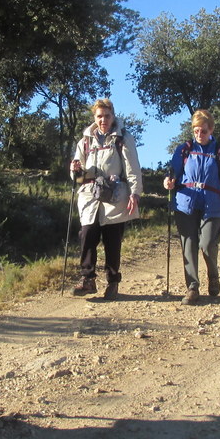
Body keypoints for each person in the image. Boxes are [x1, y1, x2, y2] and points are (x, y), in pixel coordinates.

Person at [70, 98, 143, 300]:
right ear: (94, 117)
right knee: (87, 235)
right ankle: (88, 280)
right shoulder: (85, 141)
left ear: (113, 116)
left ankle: (113, 282)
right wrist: (75, 170)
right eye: (99, 116)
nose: (103, 120)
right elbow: (77, 175)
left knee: (113, 240)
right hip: (90, 196)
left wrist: (135, 193)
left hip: (115, 196)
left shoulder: (123, 138)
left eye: (107, 116)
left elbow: (133, 169)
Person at [163, 110, 220, 304]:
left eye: (203, 130)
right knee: (189, 245)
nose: (199, 134)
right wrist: (168, 181)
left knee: (207, 245)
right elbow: (173, 171)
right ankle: (192, 287)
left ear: (211, 129)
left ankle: (213, 275)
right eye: (196, 130)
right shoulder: (184, 149)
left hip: (212, 203)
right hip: (185, 201)